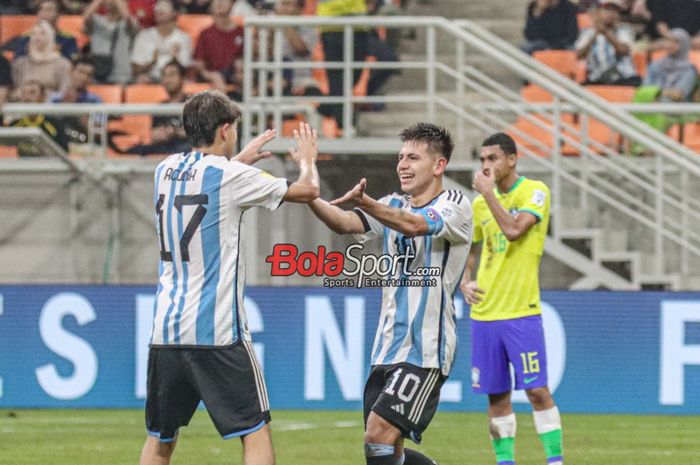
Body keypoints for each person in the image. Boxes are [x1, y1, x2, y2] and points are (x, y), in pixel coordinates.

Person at [140, 91, 319, 465]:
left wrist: (238, 160)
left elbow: (203, 186)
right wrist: (307, 162)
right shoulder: (231, 175)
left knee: (160, 440)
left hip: (166, 332)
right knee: (255, 432)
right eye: (234, 128)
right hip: (217, 331)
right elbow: (308, 191)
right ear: (224, 129)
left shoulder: (164, 170)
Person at [307, 122, 473, 465]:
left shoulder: (456, 205)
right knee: (382, 447)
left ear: (439, 165)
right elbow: (343, 222)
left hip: (425, 348)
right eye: (400, 157)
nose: (402, 164)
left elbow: (413, 224)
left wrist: (366, 202)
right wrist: (308, 188)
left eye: (413, 157)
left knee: (378, 433)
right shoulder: (392, 203)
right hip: (386, 347)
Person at [460, 133, 562, 465]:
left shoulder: (534, 192)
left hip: (521, 312)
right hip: (485, 313)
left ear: (512, 159)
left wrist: (489, 196)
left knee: (536, 391)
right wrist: (464, 280)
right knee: (497, 397)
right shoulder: (478, 206)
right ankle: (505, 463)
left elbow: (515, 231)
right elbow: (469, 250)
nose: (487, 166)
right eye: (482, 160)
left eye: (493, 159)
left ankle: (555, 461)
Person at [317, 0, 369, 130]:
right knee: (337, 78)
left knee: (353, 75)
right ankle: (344, 123)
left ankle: (329, 107)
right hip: (331, 25)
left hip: (357, 24)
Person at [126, 60, 190, 155]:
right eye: (165, 76)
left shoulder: (194, 103)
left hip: (185, 148)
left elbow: (201, 134)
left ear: (182, 78)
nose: (167, 80)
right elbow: (154, 135)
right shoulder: (160, 107)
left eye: (172, 75)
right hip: (164, 147)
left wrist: (175, 132)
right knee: (135, 150)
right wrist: (158, 135)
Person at [575, 0, 641, 85]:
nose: (611, 14)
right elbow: (579, 55)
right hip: (597, 78)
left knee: (636, 82)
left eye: (614, 11)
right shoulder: (588, 33)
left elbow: (623, 51)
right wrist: (594, 36)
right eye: (607, 10)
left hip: (623, 77)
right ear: (599, 13)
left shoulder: (624, 31)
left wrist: (606, 33)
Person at [131, 0, 192, 83]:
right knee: (141, 79)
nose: (159, 9)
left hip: (174, 79)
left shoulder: (184, 38)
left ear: (174, 13)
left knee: (187, 82)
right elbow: (136, 70)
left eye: (164, 6)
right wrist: (152, 62)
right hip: (151, 79)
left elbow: (186, 72)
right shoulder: (144, 35)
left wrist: (175, 59)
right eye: (157, 6)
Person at [83, 0, 140, 84]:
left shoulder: (127, 23)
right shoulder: (97, 21)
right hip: (97, 73)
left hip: (121, 75)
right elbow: (86, 17)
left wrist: (119, 3)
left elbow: (128, 18)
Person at [5, 80, 68, 156]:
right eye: (24, 93)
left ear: (42, 97)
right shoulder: (14, 125)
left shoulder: (55, 124)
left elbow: (64, 153)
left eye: (32, 92)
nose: (27, 97)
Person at [193, 0, 244, 91]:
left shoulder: (242, 32)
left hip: (238, 79)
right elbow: (199, 65)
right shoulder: (205, 34)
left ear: (232, 4)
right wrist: (211, 76)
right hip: (213, 78)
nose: (220, 2)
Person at [4, 0, 79, 60]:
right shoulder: (27, 37)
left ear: (58, 14)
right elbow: (18, 61)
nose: (43, 14)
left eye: (48, 10)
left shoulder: (68, 39)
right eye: (41, 10)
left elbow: (70, 63)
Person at [11, 20, 72, 94]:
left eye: (42, 33)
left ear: (50, 36)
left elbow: (64, 91)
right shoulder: (20, 64)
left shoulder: (62, 64)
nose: (37, 36)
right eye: (34, 33)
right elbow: (14, 90)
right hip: (24, 103)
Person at [643, 28, 698, 102]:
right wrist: (666, 92)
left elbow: (678, 95)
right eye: (668, 41)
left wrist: (655, 92)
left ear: (684, 45)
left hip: (676, 111)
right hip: (650, 108)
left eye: (676, 42)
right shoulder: (654, 65)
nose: (669, 45)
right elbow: (644, 89)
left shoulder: (689, 70)